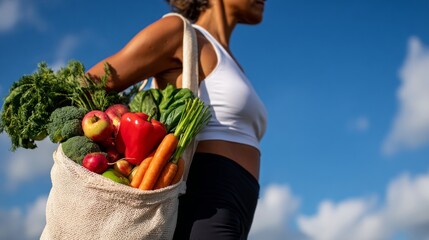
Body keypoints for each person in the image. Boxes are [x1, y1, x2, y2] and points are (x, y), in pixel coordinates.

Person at [87, 0, 267, 239]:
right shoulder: (177, 33)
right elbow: (89, 84)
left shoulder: (232, 60)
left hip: (240, 204)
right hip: (205, 199)